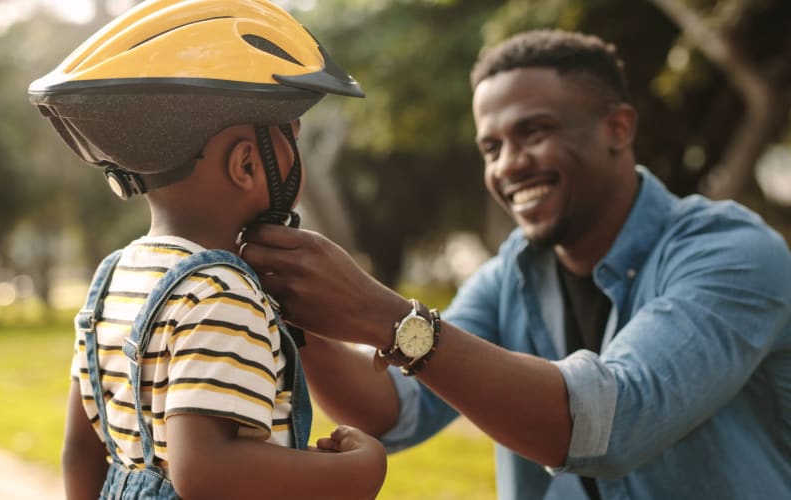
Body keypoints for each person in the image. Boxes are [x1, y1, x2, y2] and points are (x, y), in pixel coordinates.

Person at [238, 29, 791, 500]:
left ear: (618, 128)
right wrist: (295, 309)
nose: (510, 165)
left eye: (535, 132)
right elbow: (392, 410)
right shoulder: (513, 274)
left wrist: (383, 314)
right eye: (491, 148)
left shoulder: (734, 253)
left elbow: (617, 422)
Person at [27, 1, 385, 499]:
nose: (295, 151)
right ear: (246, 164)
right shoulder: (221, 291)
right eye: (291, 137)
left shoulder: (113, 278)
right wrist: (359, 474)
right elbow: (208, 472)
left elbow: (81, 451)